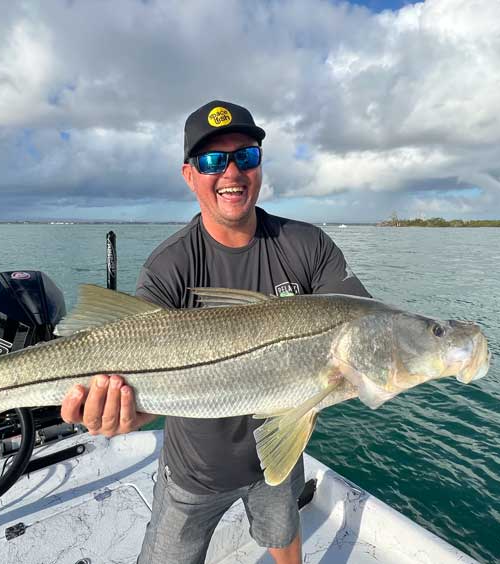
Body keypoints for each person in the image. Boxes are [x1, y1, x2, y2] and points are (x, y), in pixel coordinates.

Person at [61, 100, 371, 564]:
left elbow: (361, 323)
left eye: (245, 156)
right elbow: (141, 388)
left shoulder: (307, 245)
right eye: (212, 160)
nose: (232, 171)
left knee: (284, 537)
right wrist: (120, 412)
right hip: (193, 472)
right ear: (189, 175)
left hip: (277, 462)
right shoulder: (169, 266)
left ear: (259, 165)